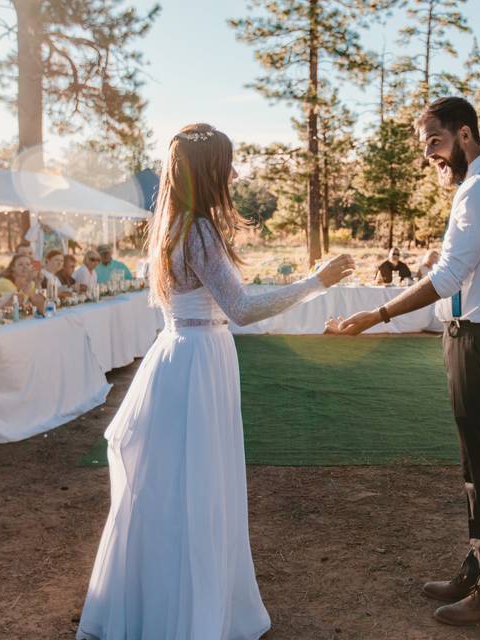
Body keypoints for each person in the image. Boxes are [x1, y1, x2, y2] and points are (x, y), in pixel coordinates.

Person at [75, 123, 354, 640]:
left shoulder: (172, 225)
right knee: (198, 486)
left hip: (182, 354)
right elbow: (242, 309)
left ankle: (159, 603)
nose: (233, 172)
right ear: (208, 171)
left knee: (172, 488)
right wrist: (317, 283)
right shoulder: (199, 230)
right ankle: (194, 613)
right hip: (199, 358)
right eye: (227, 163)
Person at [328, 97, 480, 626]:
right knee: (473, 470)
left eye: (435, 143)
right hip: (471, 337)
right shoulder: (479, 188)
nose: (430, 156)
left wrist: (377, 314)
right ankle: (477, 568)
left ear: (465, 135)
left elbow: (447, 278)